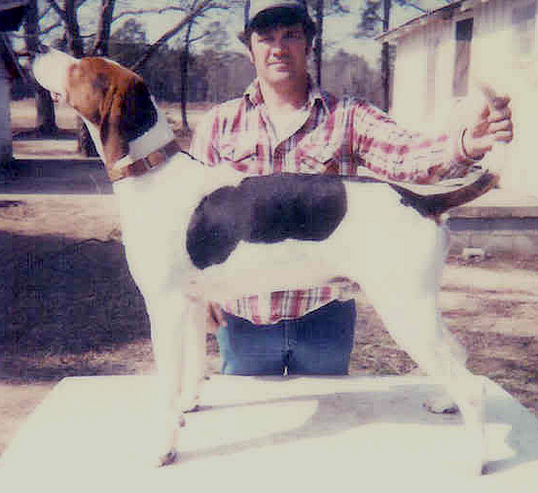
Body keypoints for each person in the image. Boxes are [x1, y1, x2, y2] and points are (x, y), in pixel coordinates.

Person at [190, 0, 513, 376]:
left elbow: (406, 154)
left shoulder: (348, 116)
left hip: (324, 316)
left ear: (309, 43)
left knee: (336, 423)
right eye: (266, 38)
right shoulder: (217, 125)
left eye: (291, 35)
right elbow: (195, 219)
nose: (278, 48)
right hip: (243, 318)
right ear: (250, 49)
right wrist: (198, 292)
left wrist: (467, 146)